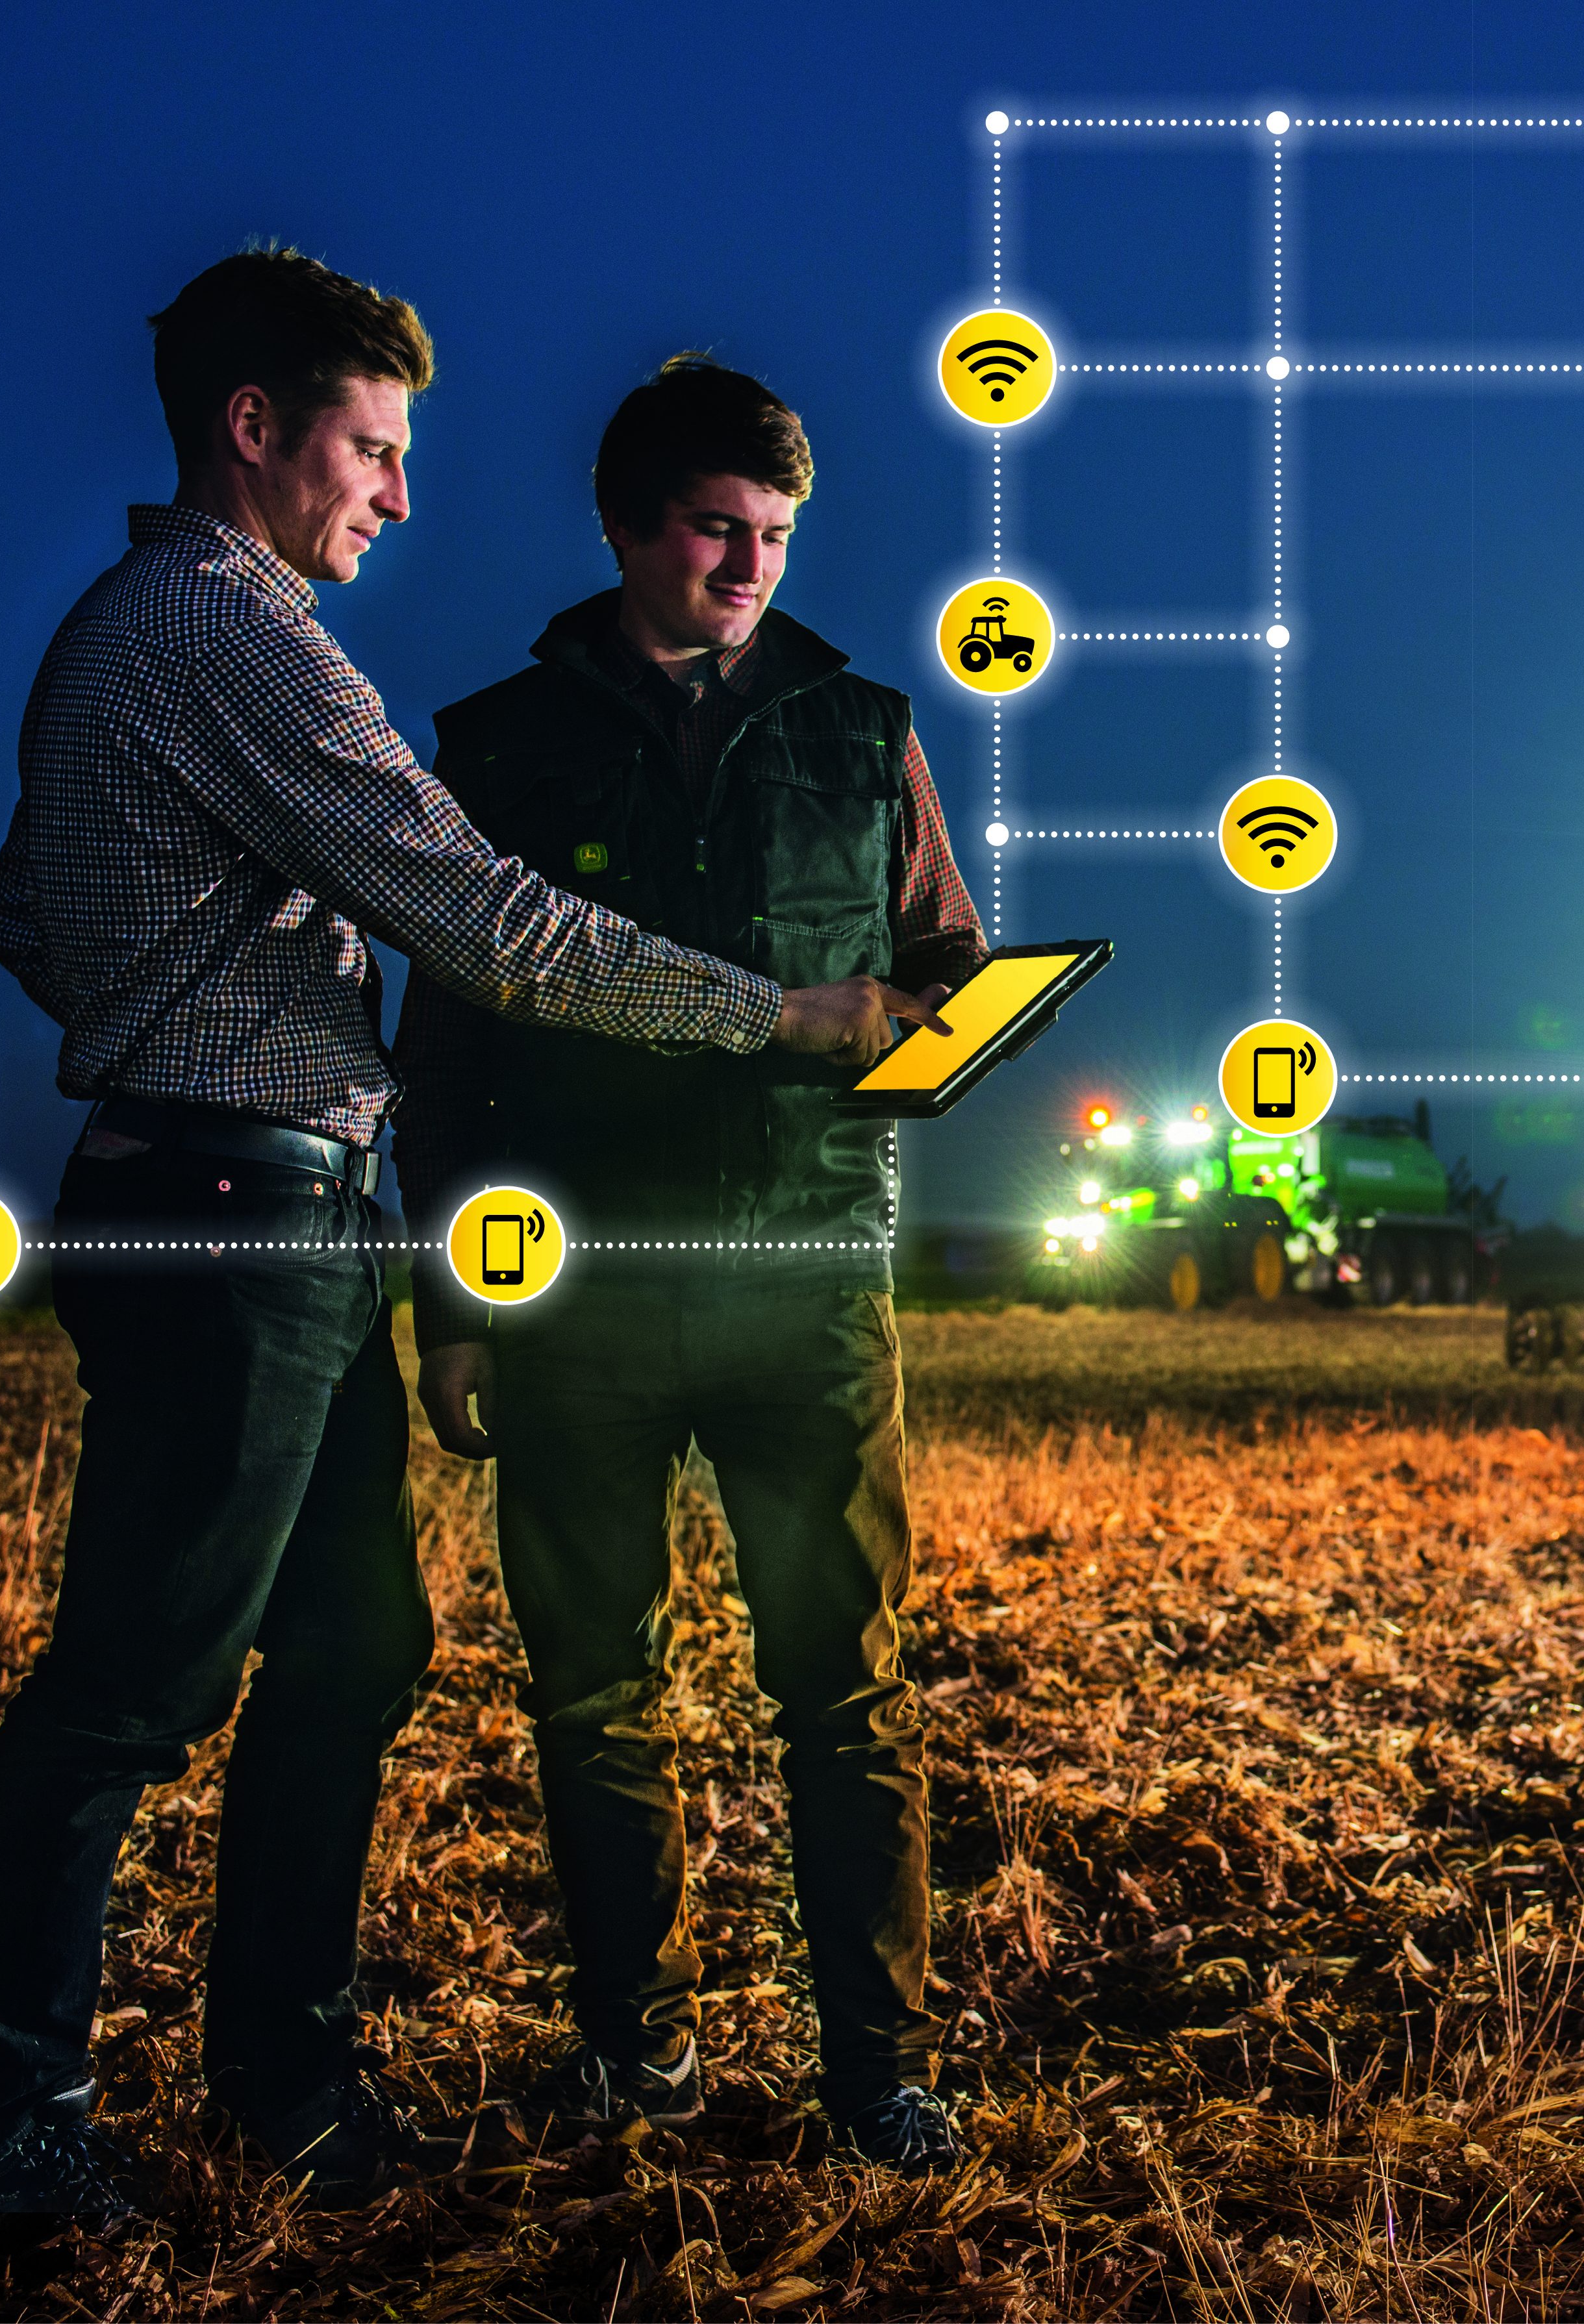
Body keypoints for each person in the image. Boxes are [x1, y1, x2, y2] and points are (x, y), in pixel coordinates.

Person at [0, 253, 932, 2233]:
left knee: (357, 1640)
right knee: (131, 1684)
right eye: (374, 449)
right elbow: (495, 931)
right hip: (232, 1203)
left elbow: (21, 909)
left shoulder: (150, 633)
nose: (397, 494)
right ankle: (6, 2131)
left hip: (270, 1191)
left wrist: (193, 974)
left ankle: (283, 2076)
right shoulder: (232, 632)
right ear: (255, 429)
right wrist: (774, 1013)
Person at [395, 355, 986, 2175]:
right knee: (594, 1691)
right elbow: (450, 1053)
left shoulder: (860, 722)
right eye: (718, 531)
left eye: (778, 537)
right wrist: (457, 1297)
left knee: (846, 1685)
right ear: (626, 528)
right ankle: (632, 2049)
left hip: (809, 1277)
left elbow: (941, 963)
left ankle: (873, 2067)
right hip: (581, 1291)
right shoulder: (494, 741)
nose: (749, 567)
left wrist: (944, 1025)